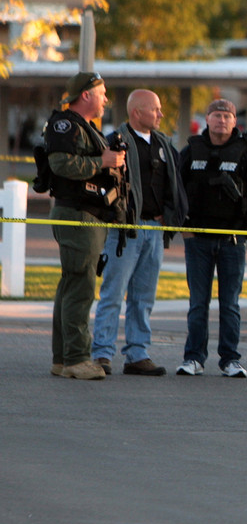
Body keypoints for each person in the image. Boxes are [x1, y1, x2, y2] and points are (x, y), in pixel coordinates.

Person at [90, 89, 186, 376]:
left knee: (144, 297)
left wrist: (170, 215)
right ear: (137, 112)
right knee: (113, 293)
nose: (161, 114)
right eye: (155, 109)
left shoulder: (164, 145)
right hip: (124, 231)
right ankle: (102, 354)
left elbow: (175, 186)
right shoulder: (113, 144)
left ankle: (137, 354)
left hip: (155, 230)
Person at [176, 99, 247, 378]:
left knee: (230, 304)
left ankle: (230, 359)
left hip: (233, 240)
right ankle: (193, 358)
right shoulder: (191, 150)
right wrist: (180, 227)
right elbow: (175, 191)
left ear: (234, 121)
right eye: (216, 115)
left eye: (227, 116)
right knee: (198, 303)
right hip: (198, 239)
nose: (221, 120)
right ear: (206, 119)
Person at [45, 71, 126, 381]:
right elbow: (61, 164)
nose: (106, 99)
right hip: (78, 215)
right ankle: (77, 358)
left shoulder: (87, 128)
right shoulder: (66, 125)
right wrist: (102, 162)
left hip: (87, 215)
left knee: (71, 285)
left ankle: (63, 359)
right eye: (102, 93)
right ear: (86, 95)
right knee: (80, 287)